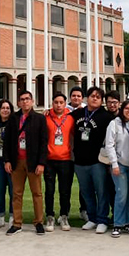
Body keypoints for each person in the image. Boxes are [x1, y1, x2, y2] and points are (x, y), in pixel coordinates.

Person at [4, 90, 48, 235]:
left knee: (37, 193)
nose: (25, 101)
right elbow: (7, 141)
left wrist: (41, 163)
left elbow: (43, 142)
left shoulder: (39, 118)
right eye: (22, 99)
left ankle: (39, 222)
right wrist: (7, 160)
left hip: (33, 161)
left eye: (27, 99)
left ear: (32, 101)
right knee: (16, 193)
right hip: (17, 161)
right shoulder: (13, 118)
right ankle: (17, 223)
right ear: (18, 102)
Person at [72, 87, 112, 234]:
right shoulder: (78, 114)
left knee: (101, 191)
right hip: (80, 161)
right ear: (86, 98)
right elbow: (62, 116)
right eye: (92, 96)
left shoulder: (106, 117)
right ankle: (92, 218)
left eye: (98, 97)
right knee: (86, 191)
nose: (94, 99)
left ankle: (102, 219)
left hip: (98, 161)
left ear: (101, 101)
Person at [104, 101, 129, 237]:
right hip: (120, 165)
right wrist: (114, 164)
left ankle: (128, 223)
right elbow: (109, 145)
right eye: (127, 108)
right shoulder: (114, 124)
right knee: (121, 195)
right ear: (122, 109)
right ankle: (118, 223)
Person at [43, 91, 75, 232]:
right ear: (52, 103)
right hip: (49, 160)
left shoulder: (71, 117)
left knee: (65, 191)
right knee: (49, 190)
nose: (59, 105)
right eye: (56, 102)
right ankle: (50, 216)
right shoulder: (46, 117)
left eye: (61, 102)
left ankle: (64, 215)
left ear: (65, 103)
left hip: (66, 159)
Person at [0, 99, 14, 229]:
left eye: (7, 108)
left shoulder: (14, 124)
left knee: (12, 190)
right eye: (2, 108)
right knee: (0, 190)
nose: (5, 110)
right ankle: (0, 217)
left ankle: (12, 216)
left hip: (10, 161)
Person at [69, 85, 88, 223]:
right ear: (70, 97)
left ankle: (84, 210)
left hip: (82, 152)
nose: (76, 98)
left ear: (82, 98)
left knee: (84, 184)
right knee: (66, 184)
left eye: (79, 96)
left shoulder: (87, 111)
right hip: (67, 153)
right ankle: (65, 211)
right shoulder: (64, 110)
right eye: (74, 95)